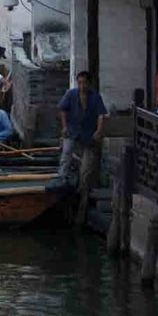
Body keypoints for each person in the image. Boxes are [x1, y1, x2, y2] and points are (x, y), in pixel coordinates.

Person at [58, 71, 108, 224]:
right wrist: (64, 127)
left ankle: (83, 189)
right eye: (79, 82)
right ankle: (62, 176)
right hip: (73, 130)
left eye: (84, 83)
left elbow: (101, 115)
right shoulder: (71, 94)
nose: (81, 86)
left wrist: (99, 131)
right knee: (66, 152)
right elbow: (62, 110)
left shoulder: (95, 97)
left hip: (88, 133)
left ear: (89, 83)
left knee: (87, 167)